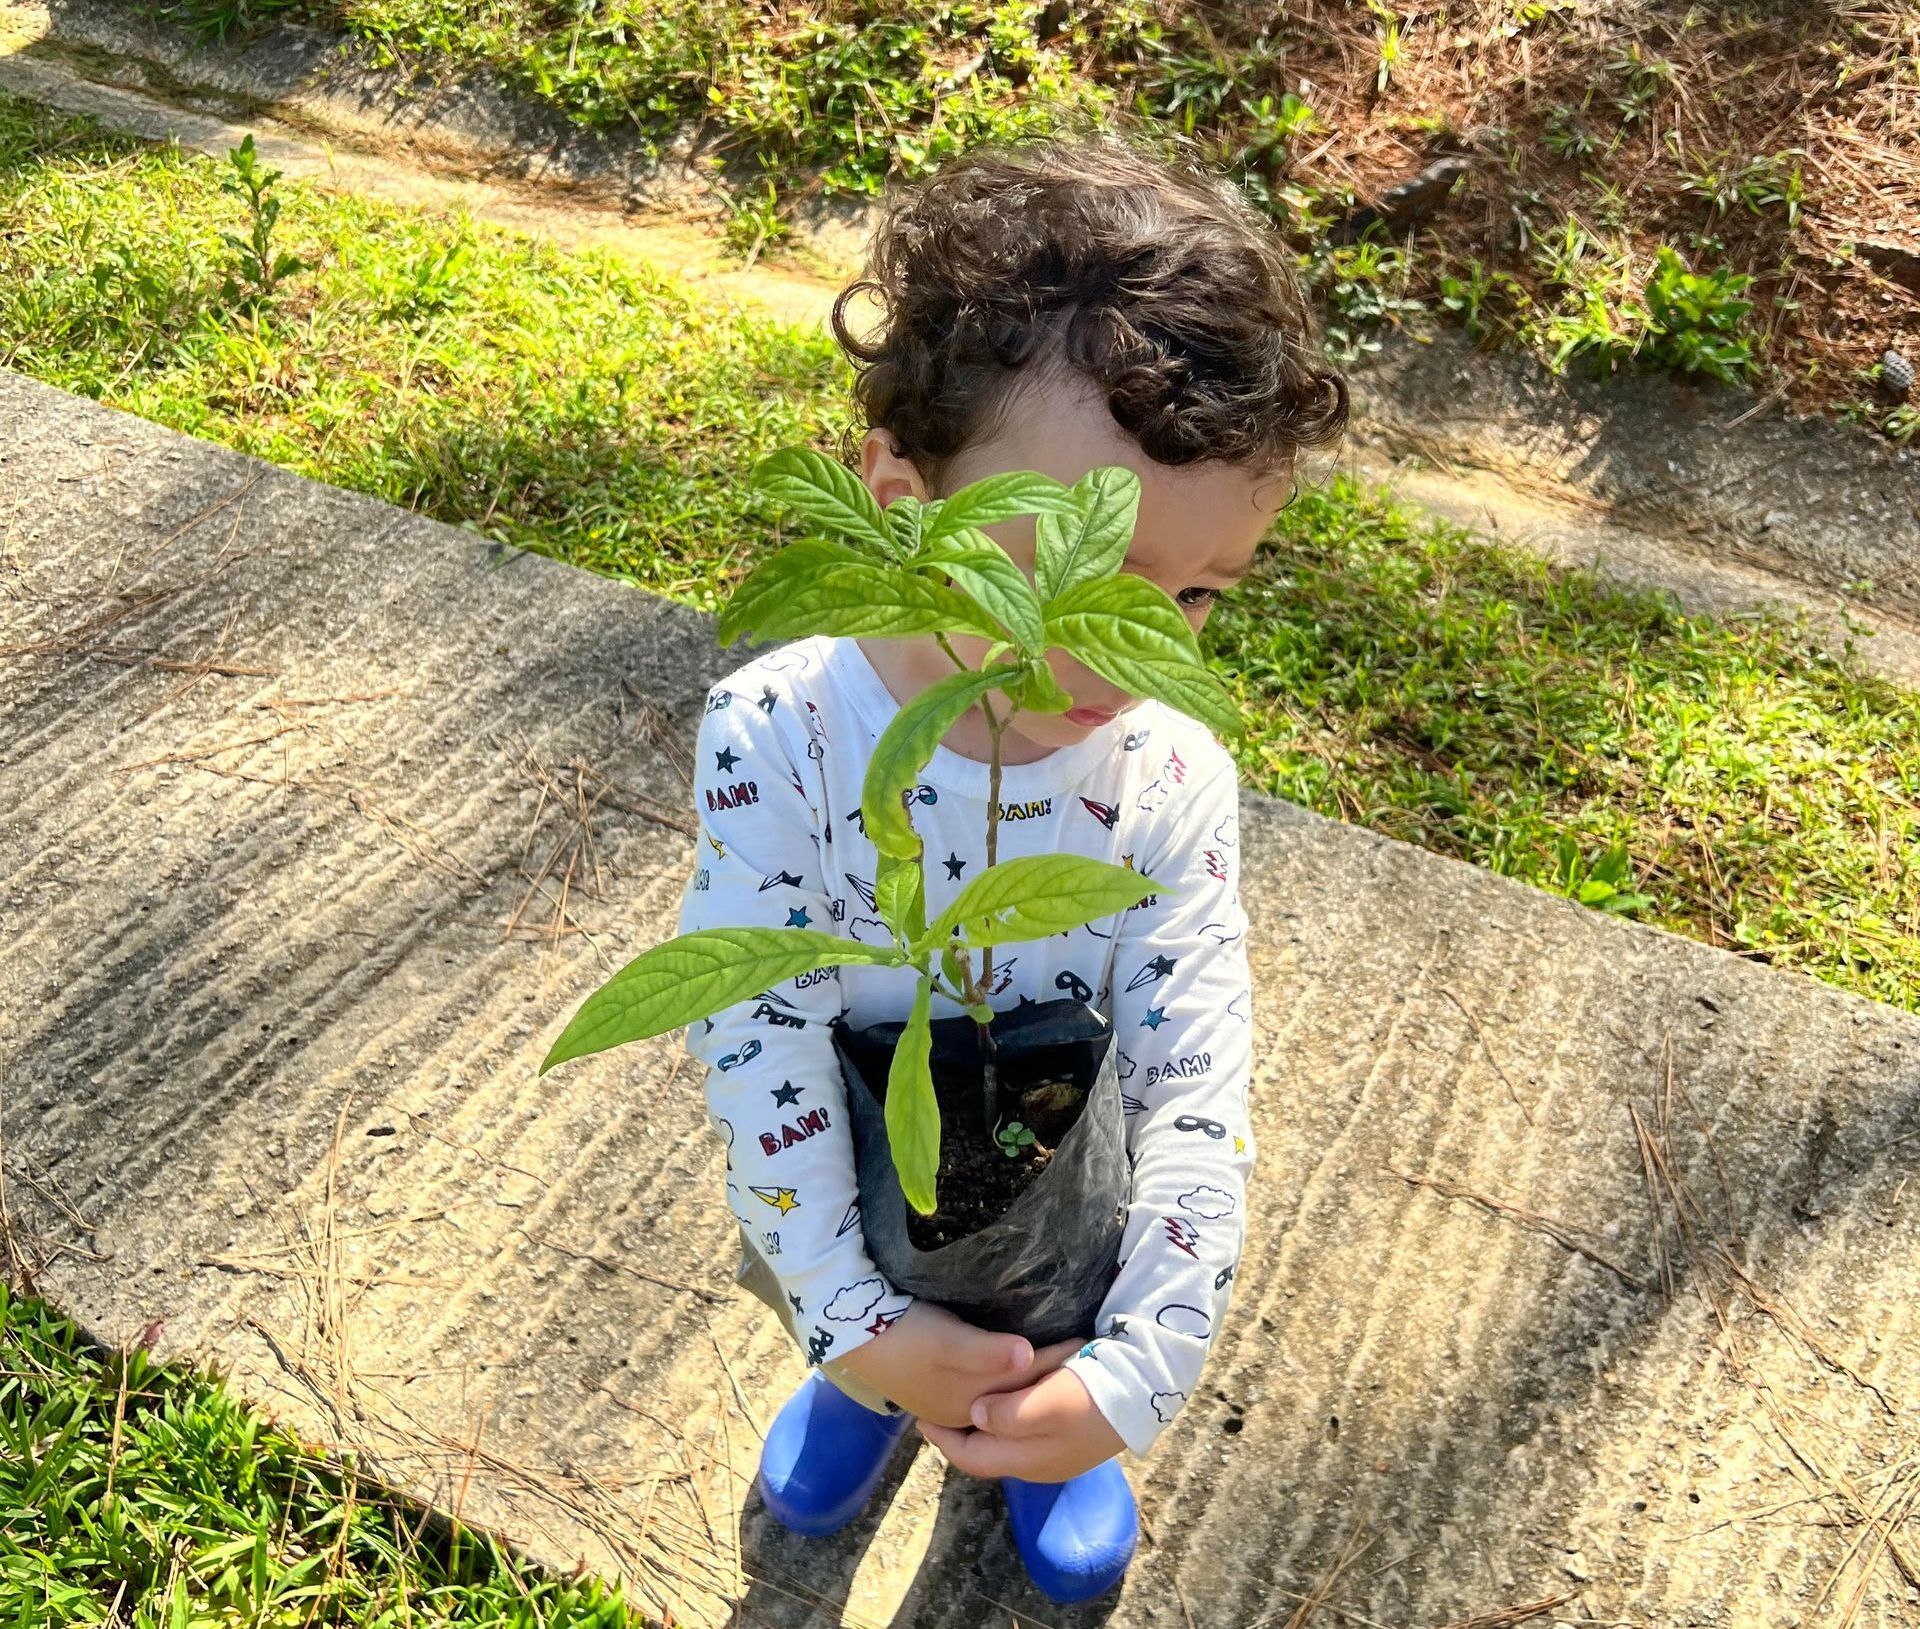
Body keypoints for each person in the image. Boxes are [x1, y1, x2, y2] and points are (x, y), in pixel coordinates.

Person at [675, 123, 1348, 1604]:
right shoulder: (777, 733)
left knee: (1053, 1294)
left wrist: (1138, 1369)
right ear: (906, 505)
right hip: (849, 1176)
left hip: (1070, 1197)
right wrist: (847, 1315)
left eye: (1195, 596)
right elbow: (755, 1028)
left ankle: (1047, 1424)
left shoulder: (1167, 773)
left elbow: (1195, 1081)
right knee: (864, 1282)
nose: (1141, 652)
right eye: (1076, 575)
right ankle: (864, 1385)